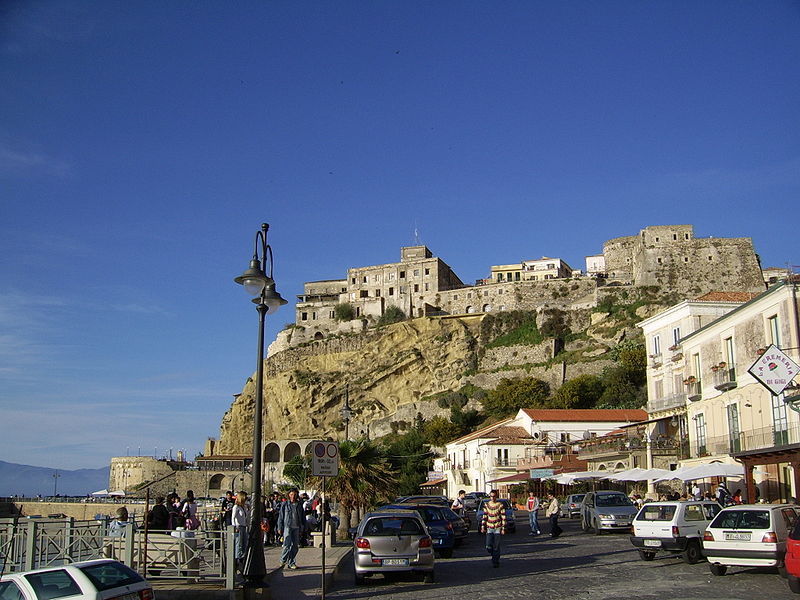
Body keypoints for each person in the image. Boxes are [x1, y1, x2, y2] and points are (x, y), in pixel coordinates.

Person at [277, 488, 307, 569]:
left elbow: (302, 517)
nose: (292, 496)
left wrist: (303, 527)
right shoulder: (285, 504)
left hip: (297, 526)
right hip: (288, 526)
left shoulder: (299, 505)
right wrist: (280, 527)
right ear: (288, 495)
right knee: (287, 544)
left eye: (294, 494)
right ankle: (283, 560)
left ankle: (291, 562)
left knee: (295, 546)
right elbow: (281, 517)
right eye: (291, 494)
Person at [479, 489, 506, 568]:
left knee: (496, 546)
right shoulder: (487, 505)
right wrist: (483, 526)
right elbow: (484, 516)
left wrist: (503, 528)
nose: (492, 498)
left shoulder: (500, 505)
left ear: (496, 497)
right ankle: (493, 553)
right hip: (489, 527)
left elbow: (503, 517)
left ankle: (495, 561)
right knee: (488, 546)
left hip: (497, 527)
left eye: (494, 496)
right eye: (491, 496)